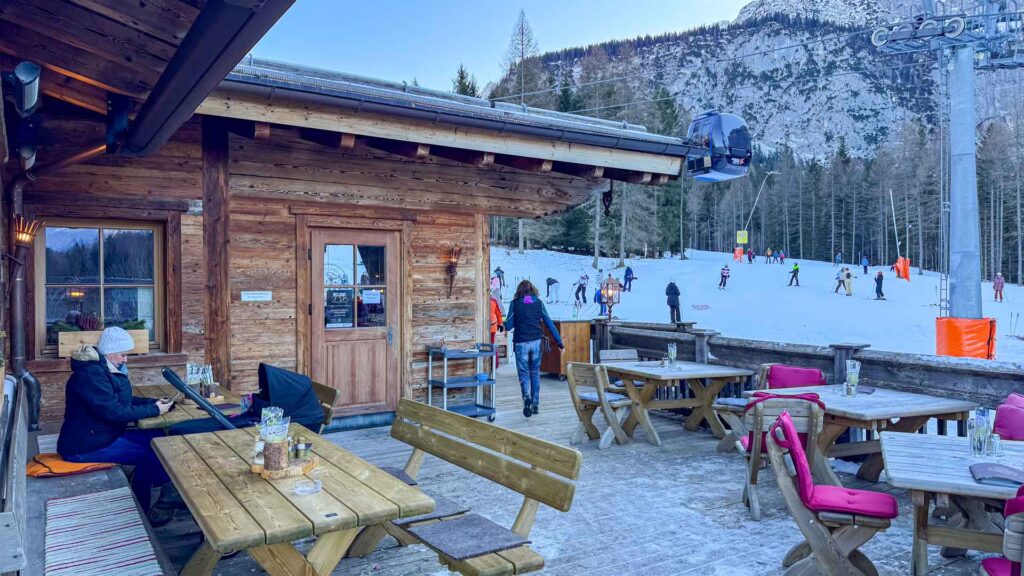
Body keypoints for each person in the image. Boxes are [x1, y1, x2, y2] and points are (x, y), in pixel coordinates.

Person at [57, 327, 176, 525]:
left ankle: (148, 483)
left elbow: (121, 401)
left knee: (159, 436)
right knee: (155, 453)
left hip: (102, 436)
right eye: (122, 354)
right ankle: (142, 511)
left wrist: (153, 403)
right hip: (84, 447)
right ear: (109, 352)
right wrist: (155, 410)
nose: (125, 359)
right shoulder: (90, 375)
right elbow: (114, 413)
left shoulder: (103, 370)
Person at [504, 281, 563, 418]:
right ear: (533, 290)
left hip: (521, 342)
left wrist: (504, 323)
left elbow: (508, 326)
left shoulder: (515, 303)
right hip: (536, 342)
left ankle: (526, 398)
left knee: (524, 373)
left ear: (519, 290)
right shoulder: (538, 303)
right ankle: (535, 404)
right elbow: (549, 322)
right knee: (535, 372)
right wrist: (559, 342)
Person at [489, 290, 504, 367]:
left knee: (490, 345)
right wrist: (500, 323)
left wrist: (500, 323)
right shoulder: (493, 300)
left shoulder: (493, 300)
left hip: (491, 326)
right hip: (493, 326)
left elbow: (498, 313)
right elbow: (498, 313)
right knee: (491, 344)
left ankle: (494, 363)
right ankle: (494, 363)